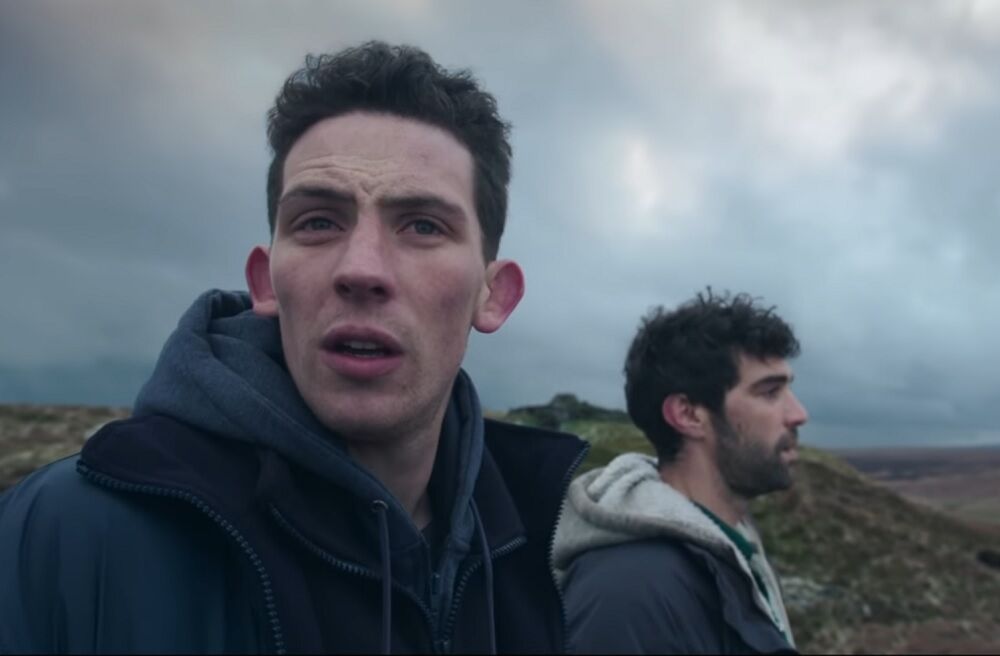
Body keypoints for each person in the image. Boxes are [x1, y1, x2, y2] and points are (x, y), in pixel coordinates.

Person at [0, 41, 588, 654]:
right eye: (318, 222)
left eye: (422, 226)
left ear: (494, 295)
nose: (361, 269)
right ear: (265, 283)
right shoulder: (65, 533)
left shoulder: (541, 553)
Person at [553, 290, 808, 654]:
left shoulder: (735, 550)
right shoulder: (629, 594)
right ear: (688, 415)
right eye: (769, 392)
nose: (799, 414)